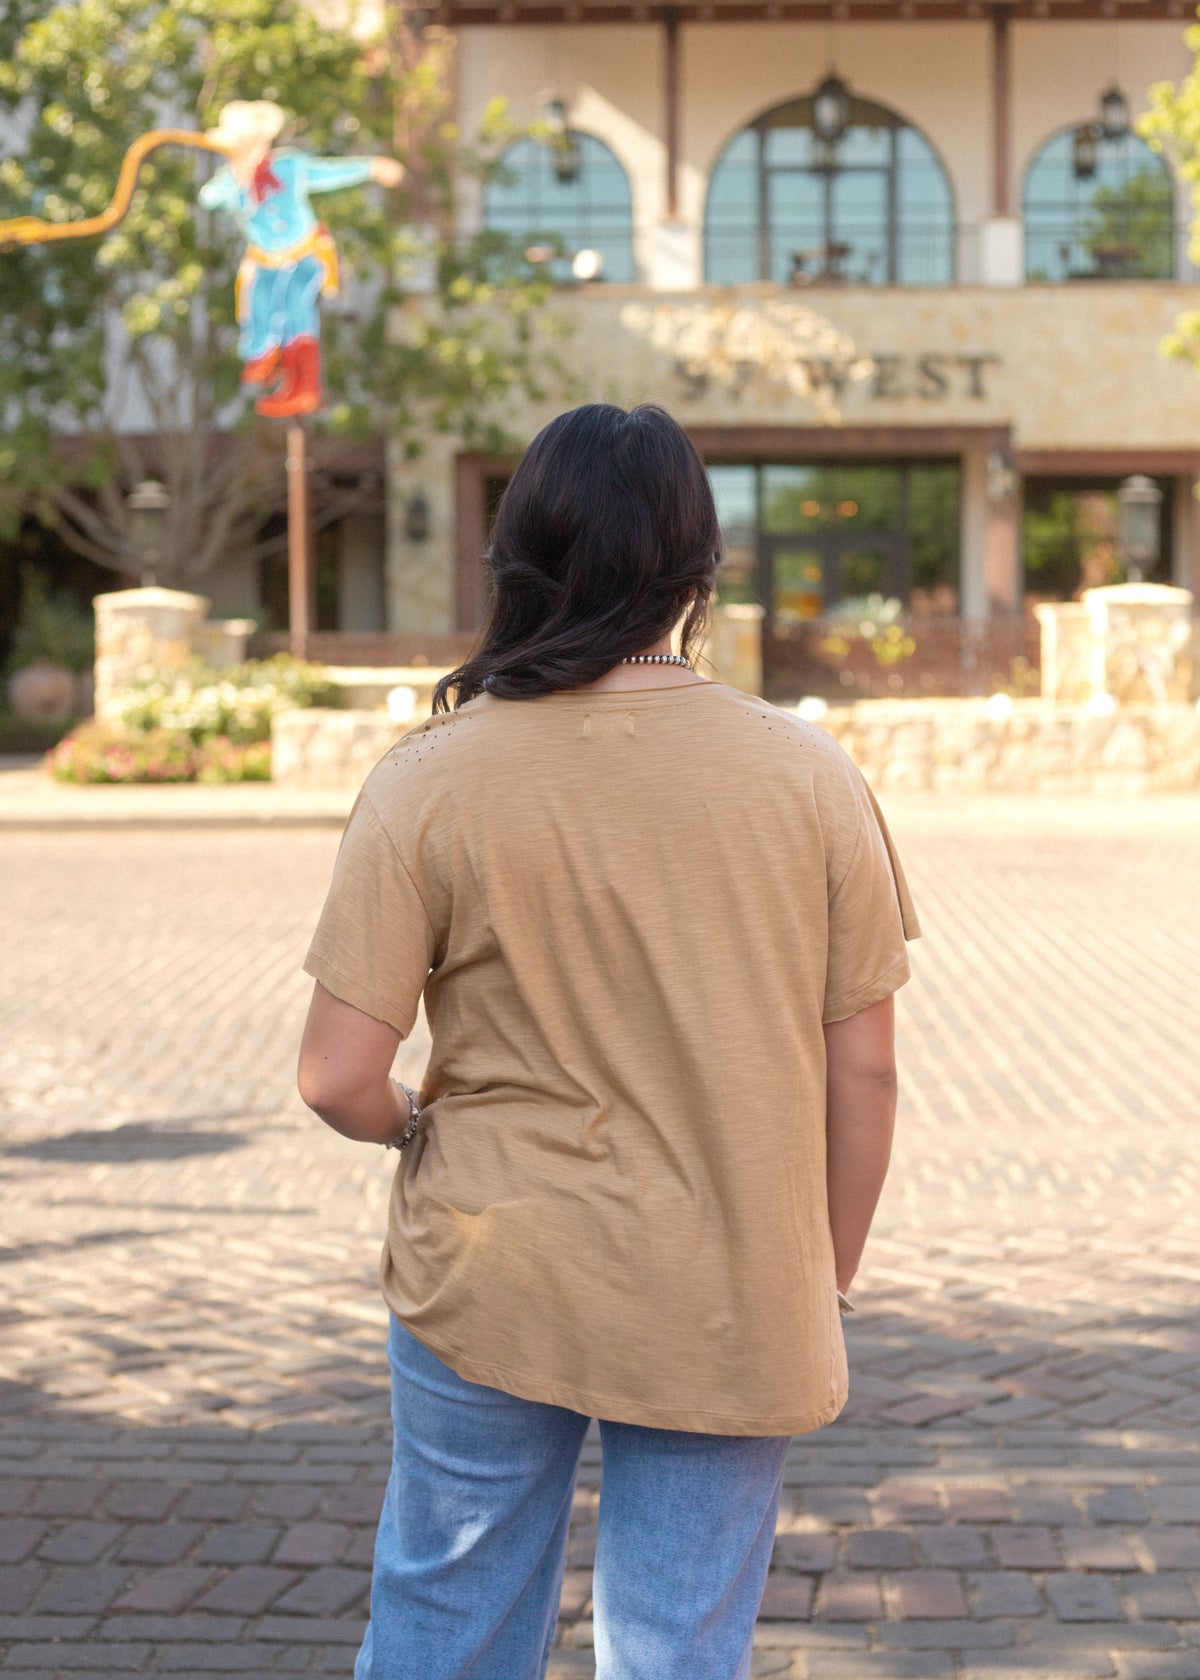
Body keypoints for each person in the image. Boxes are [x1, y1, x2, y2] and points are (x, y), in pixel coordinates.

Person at [297, 402, 920, 1680]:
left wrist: (418, 1125)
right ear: (698, 570)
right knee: (679, 1647)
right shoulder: (808, 776)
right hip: (731, 1276)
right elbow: (867, 1067)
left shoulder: (432, 777)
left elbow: (336, 1077)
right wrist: (825, 1270)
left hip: (493, 1259)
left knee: (442, 1624)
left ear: (518, 557)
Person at [199, 100, 403, 418]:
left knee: (296, 301)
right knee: (261, 301)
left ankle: (304, 384)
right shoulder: (231, 182)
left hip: (306, 252)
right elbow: (209, 198)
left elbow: (328, 172)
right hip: (266, 259)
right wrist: (237, 178)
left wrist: (371, 167)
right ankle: (266, 359)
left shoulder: (288, 166)